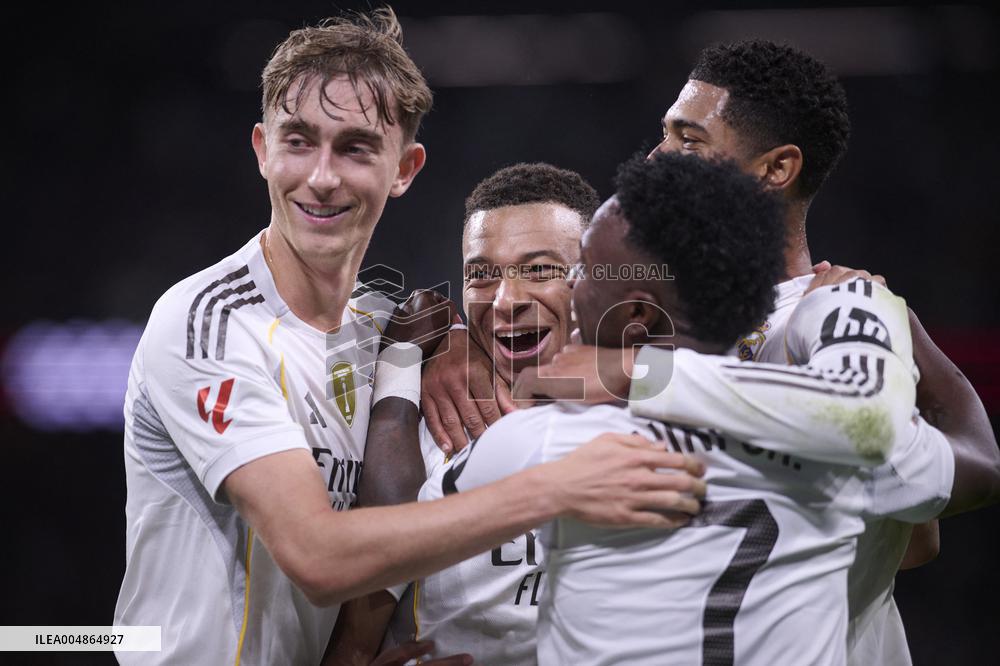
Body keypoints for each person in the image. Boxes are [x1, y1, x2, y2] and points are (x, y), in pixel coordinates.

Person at [112, 10, 706, 665]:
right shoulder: (210, 322)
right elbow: (316, 556)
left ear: (405, 168)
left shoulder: (385, 329)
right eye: (299, 141)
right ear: (262, 150)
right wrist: (558, 488)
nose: (323, 177)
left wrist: (446, 337)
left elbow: (429, 323)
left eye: (356, 147)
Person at [513, 40, 1000, 665]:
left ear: (777, 168)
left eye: (688, 139)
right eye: (664, 133)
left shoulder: (833, 315)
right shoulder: (638, 304)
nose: (660, 155)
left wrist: (895, 322)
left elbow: (939, 496)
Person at [447, 151, 953, 665]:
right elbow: (935, 490)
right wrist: (877, 314)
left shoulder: (546, 438)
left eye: (581, 271)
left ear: (638, 312)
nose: (574, 287)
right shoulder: (842, 447)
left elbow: (389, 546)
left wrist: (400, 379)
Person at [324, 163, 600, 664]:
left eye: (540, 269)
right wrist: (418, 341)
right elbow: (354, 642)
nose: (505, 300)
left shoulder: (661, 420)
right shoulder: (428, 426)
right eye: (481, 274)